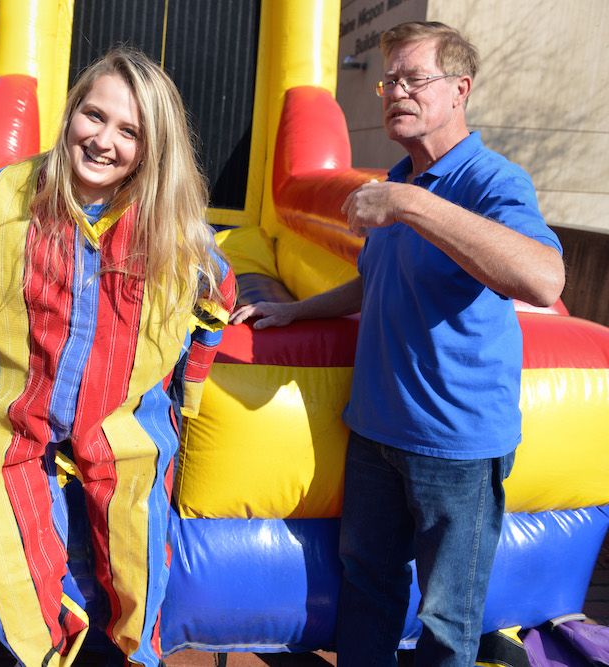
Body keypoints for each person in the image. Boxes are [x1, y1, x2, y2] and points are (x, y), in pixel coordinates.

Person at [231, 21, 564, 667]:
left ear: (460, 89)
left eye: (413, 78)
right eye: (389, 80)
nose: (394, 92)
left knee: (447, 616)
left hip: (459, 449)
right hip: (378, 436)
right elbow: (370, 284)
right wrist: (293, 310)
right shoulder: (402, 177)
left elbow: (544, 277)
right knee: (368, 588)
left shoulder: (491, 181)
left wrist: (412, 204)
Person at [0, 45, 237, 667]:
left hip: (121, 413)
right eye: (93, 115)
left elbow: (215, 299)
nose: (103, 140)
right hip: (20, 404)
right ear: (70, 115)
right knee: (3, 530)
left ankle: (134, 654)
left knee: (138, 535)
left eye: (129, 131)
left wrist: (185, 395)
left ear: (152, 147)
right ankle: (46, 651)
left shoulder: (172, 229)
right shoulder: (4, 193)